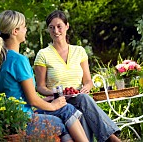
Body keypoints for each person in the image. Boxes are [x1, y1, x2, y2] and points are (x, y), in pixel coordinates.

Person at [0, 10, 89, 142]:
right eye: (24, 27)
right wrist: (53, 105)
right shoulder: (19, 60)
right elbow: (33, 101)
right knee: (63, 117)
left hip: (12, 117)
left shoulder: (0, 60)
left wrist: (50, 100)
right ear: (15, 31)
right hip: (25, 120)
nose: (26, 30)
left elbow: (18, 97)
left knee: (66, 109)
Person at [34, 10, 121, 142]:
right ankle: (111, 138)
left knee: (82, 98)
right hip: (58, 101)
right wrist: (55, 92)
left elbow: (88, 81)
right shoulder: (43, 54)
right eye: (51, 28)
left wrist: (86, 87)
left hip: (79, 97)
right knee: (83, 100)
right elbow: (40, 87)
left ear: (67, 26)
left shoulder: (79, 51)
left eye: (59, 26)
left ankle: (110, 138)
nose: (56, 31)